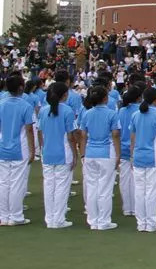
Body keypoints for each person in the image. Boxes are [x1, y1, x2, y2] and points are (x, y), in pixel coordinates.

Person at [37, 81, 78, 228]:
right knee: (61, 186)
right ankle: (58, 219)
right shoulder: (67, 111)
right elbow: (70, 136)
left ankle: (50, 218)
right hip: (63, 152)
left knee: (49, 185)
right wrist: (75, 154)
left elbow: (40, 132)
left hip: (47, 152)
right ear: (65, 95)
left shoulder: (43, 110)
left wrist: (43, 147)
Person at [80, 85, 121, 230]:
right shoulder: (111, 114)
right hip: (106, 153)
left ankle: (93, 220)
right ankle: (103, 221)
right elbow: (115, 134)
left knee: (92, 187)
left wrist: (83, 153)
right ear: (105, 98)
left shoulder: (86, 114)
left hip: (90, 153)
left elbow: (83, 135)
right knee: (105, 189)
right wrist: (118, 153)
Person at [130, 86, 156, 232]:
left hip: (139, 156)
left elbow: (132, 138)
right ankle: (151, 222)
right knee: (151, 191)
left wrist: (132, 156)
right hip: (154, 157)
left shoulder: (135, 115)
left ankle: (141, 223)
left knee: (139, 190)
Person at [0, 75, 36, 226]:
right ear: (21, 88)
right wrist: (33, 150)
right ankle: (15, 216)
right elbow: (29, 129)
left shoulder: (1, 103)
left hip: (2, 145)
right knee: (16, 183)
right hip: (19, 148)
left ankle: (3, 216)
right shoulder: (25, 106)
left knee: (3, 182)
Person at [118, 86, 143, 217]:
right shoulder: (140, 110)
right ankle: (134, 207)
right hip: (136, 148)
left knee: (124, 179)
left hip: (122, 148)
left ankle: (127, 208)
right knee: (135, 180)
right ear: (139, 98)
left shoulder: (121, 111)